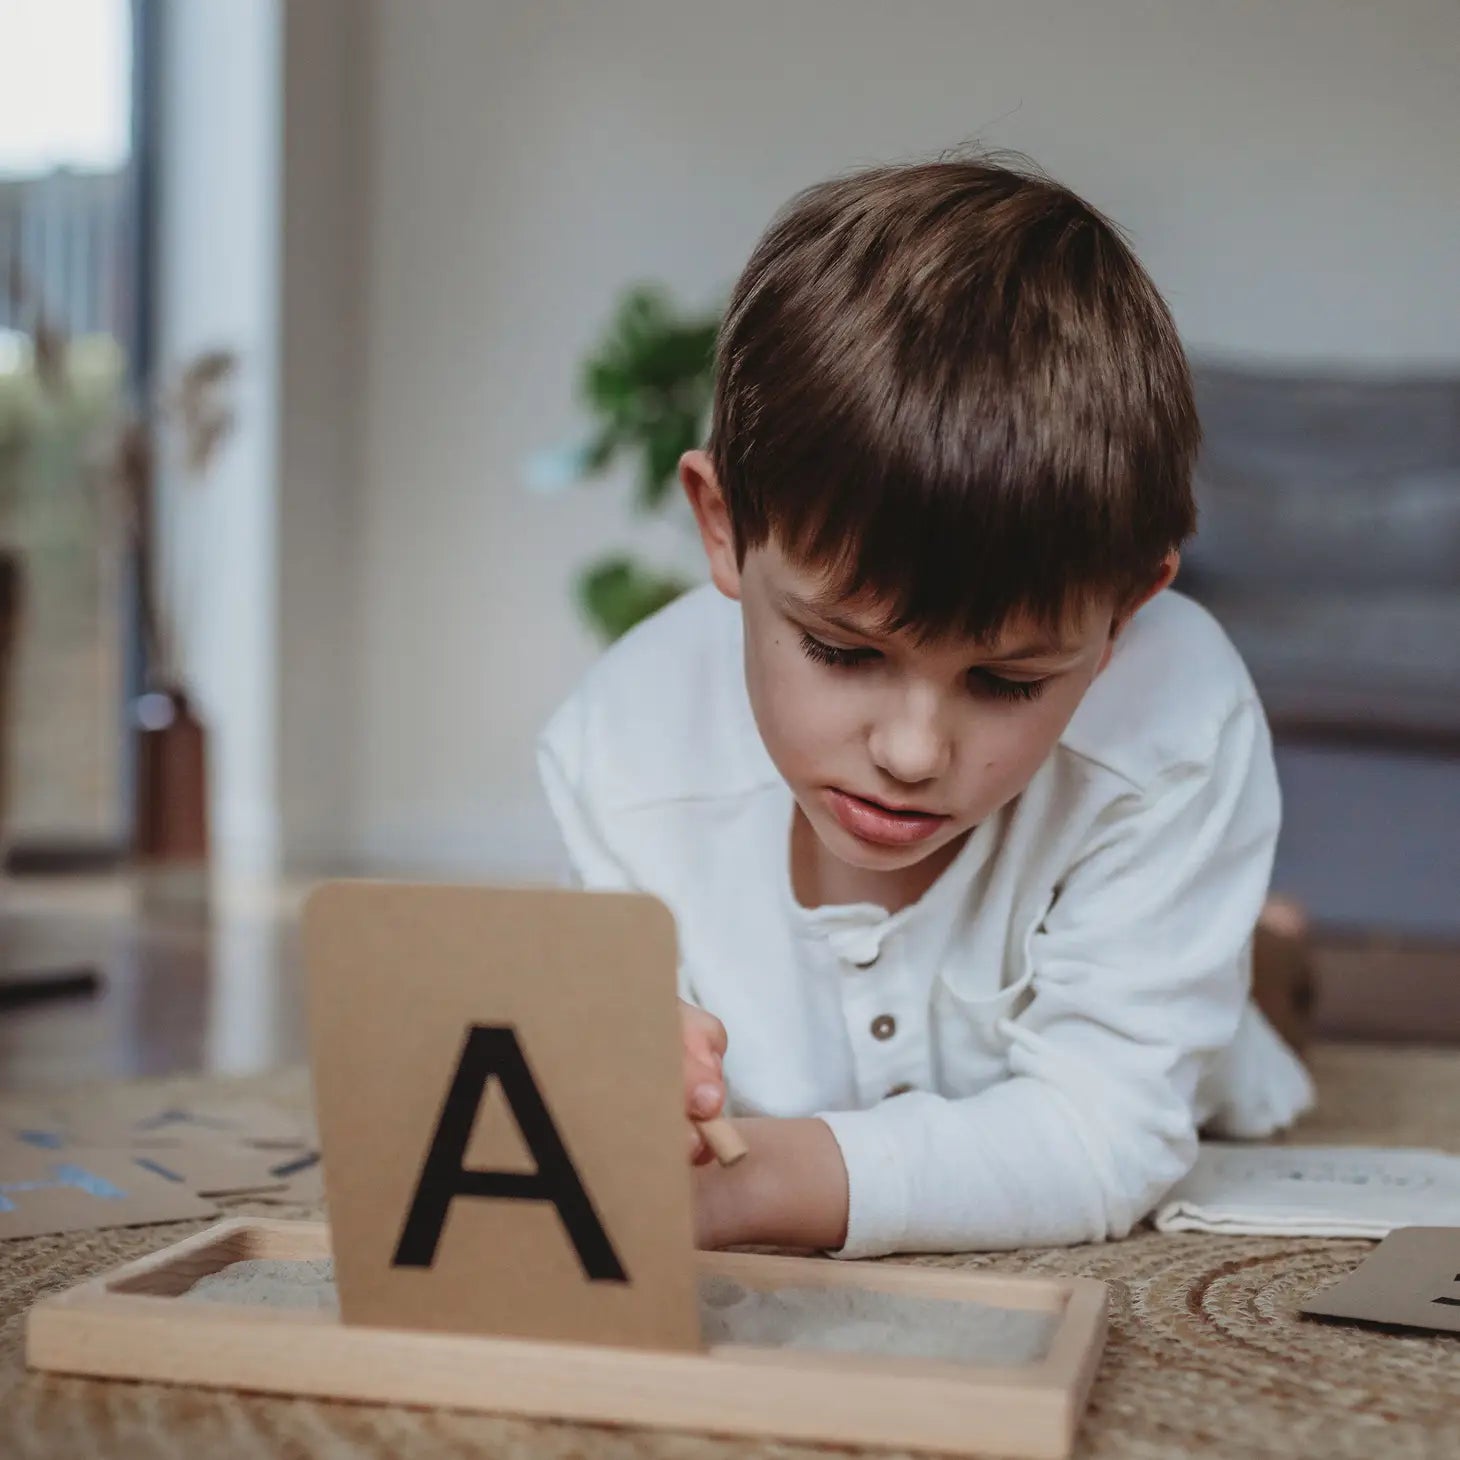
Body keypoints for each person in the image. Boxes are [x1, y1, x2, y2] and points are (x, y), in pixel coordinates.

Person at [538, 155, 1314, 1258]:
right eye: (838, 649)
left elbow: (1104, 1134)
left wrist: (748, 1192)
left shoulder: (1177, 725)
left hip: (1165, 990)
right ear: (722, 528)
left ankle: (1260, 951)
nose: (909, 751)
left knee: (1236, 1029)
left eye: (1004, 681)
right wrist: (616, 1055)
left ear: (1125, 610)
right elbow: (601, 1054)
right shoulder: (616, 746)